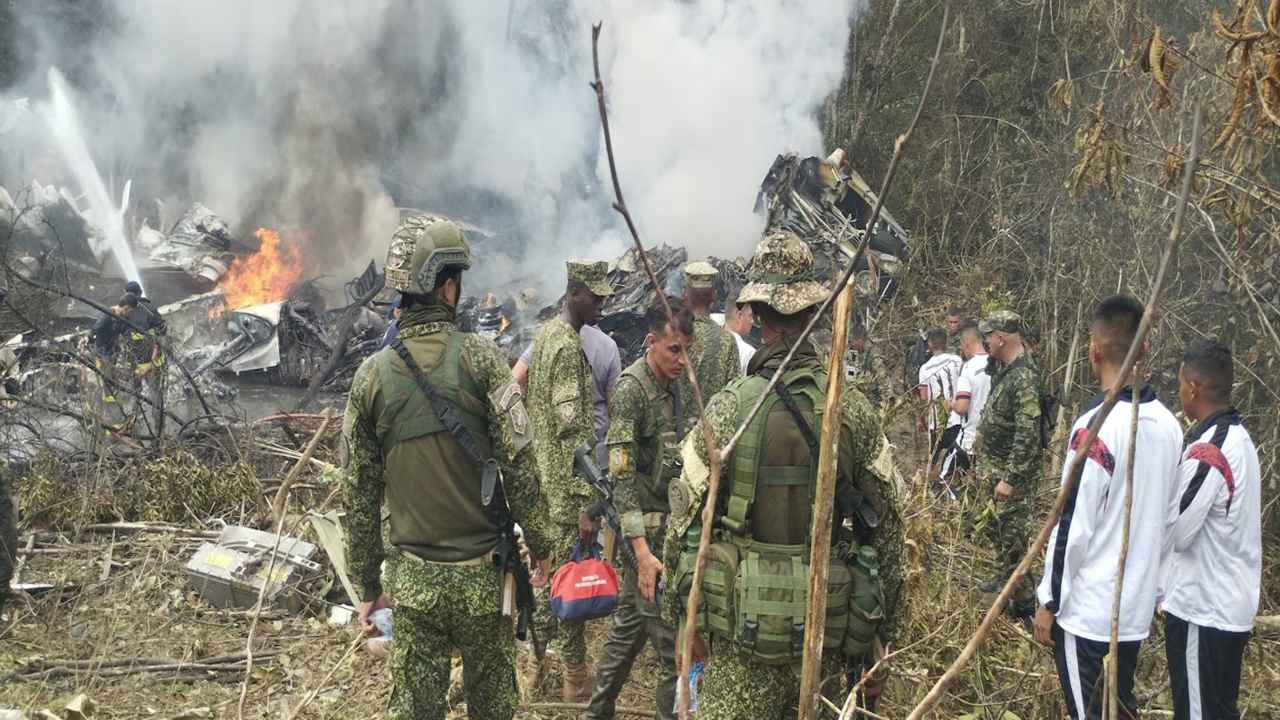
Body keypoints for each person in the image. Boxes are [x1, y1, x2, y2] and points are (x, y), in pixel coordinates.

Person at [664, 232, 905, 718]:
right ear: (813, 312)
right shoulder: (851, 410)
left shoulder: (729, 409)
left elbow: (682, 525)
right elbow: (889, 529)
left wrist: (683, 621)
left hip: (740, 654)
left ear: (756, 314)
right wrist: (883, 640)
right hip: (824, 647)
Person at [340, 214, 553, 720]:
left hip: (414, 586)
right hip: (483, 581)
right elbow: (521, 464)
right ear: (448, 287)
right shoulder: (482, 360)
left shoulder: (371, 377)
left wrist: (368, 586)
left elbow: (358, 493)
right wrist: (543, 545)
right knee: (494, 708)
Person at [1033, 295, 1183, 720]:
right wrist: (1155, 591)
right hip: (1132, 614)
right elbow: (1170, 523)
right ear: (1145, 350)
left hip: (1088, 615)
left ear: (1093, 351)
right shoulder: (1171, 427)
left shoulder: (1094, 429)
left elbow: (1072, 523)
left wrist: (1049, 600)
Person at [586, 300, 693, 720]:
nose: (681, 360)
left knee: (628, 631)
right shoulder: (632, 390)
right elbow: (621, 473)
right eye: (674, 350)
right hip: (645, 541)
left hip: (667, 532)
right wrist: (642, 551)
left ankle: (596, 712)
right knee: (672, 651)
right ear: (651, 342)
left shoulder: (674, 385)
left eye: (686, 350)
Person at [526, 258, 615, 701]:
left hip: (543, 485)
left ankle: (536, 665)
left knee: (546, 581)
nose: (601, 305)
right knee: (570, 589)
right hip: (564, 494)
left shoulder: (544, 336)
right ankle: (575, 680)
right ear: (574, 293)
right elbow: (573, 436)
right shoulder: (565, 348)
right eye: (595, 297)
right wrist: (585, 503)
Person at [1163, 341, 1260, 720]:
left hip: (1203, 610)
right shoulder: (1240, 439)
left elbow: (1178, 532)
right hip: (1226, 606)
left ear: (1194, 388)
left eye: (1180, 383)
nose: (1179, 391)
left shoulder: (1210, 450)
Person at [974, 310, 1043, 615]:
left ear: (1001, 337)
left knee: (1013, 537)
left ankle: (1026, 604)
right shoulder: (1004, 370)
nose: (985, 342)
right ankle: (1004, 578)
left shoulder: (1024, 377)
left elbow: (1028, 432)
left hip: (1011, 475)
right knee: (998, 530)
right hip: (995, 467)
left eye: (988, 336)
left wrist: (1010, 478)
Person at [514, 322, 622, 464]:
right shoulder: (608, 346)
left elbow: (517, 379)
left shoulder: (547, 338)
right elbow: (616, 410)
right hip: (595, 449)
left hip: (552, 450)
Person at [675, 261, 740, 433]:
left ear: (685, 295)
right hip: (711, 436)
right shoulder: (727, 341)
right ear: (714, 296)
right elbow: (734, 396)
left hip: (675, 436)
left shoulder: (672, 337)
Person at [937, 322, 990, 495]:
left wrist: (950, 404)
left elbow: (962, 407)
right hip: (990, 439)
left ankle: (953, 506)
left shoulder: (968, 368)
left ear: (967, 343)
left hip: (969, 438)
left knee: (944, 479)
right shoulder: (996, 364)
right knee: (981, 484)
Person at [917, 328, 962, 461]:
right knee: (956, 460)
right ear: (946, 343)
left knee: (934, 460)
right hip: (957, 419)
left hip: (936, 424)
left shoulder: (924, 369)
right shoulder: (957, 361)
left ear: (930, 344)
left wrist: (921, 420)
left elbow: (924, 397)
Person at [90, 294, 133, 404]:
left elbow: (124, 331)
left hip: (113, 350)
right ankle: (109, 401)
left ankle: (113, 395)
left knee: (112, 374)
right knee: (107, 376)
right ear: (126, 308)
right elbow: (95, 329)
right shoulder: (108, 315)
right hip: (103, 352)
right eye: (130, 311)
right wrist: (88, 340)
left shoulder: (122, 318)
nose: (130, 314)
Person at [847, 322, 887, 408]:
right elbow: (850, 376)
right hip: (858, 397)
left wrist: (886, 402)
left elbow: (883, 379)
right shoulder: (853, 352)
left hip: (874, 398)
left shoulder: (873, 354)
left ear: (860, 340)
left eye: (852, 341)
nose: (851, 344)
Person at [720, 293, 756, 374]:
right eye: (750, 315)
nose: (752, 321)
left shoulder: (708, 340)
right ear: (739, 316)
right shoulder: (748, 353)